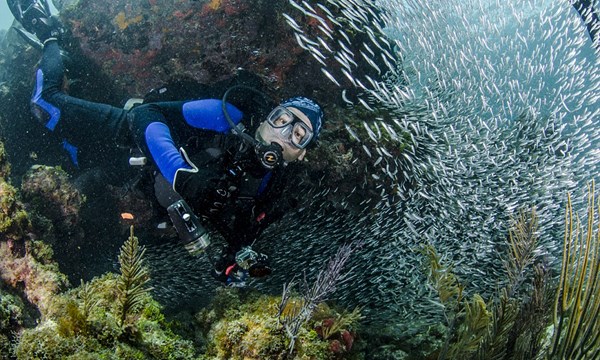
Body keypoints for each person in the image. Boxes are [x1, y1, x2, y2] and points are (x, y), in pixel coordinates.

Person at [8, 0, 323, 286]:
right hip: (126, 138)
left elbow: (240, 240)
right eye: (284, 120)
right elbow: (147, 114)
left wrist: (233, 265)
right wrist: (182, 175)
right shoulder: (228, 116)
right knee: (44, 106)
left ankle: (72, 63)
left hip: (130, 185)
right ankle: (50, 33)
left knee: (78, 140)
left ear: (303, 153)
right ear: (269, 116)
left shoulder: (274, 189)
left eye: (298, 134)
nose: (284, 134)